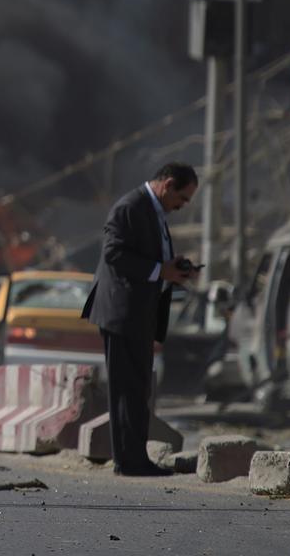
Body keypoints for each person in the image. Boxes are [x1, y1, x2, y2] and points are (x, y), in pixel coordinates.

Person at [81, 162, 200, 477]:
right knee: (126, 388)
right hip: (121, 313)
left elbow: (150, 258)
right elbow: (113, 254)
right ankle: (128, 461)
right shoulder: (130, 206)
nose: (181, 207)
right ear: (168, 185)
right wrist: (161, 270)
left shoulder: (154, 211)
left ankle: (136, 458)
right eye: (182, 199)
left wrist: (173, 268)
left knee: (138, 389)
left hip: (139, 314)